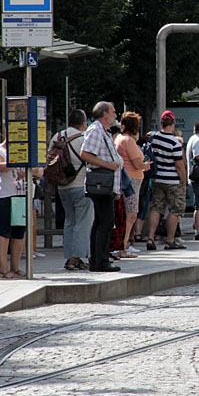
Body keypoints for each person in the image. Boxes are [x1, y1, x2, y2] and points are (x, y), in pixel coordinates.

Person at [79, 101, 123, 271]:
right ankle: (100, 261)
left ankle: (97, 259)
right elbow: (85, 154)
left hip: (107, 184)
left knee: (101, 221)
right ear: (104, 114)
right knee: (105, 222)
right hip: (101, 184)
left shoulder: (103, 131)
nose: (115, 114)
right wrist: (107, 164)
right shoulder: (96, 130)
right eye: (113, 111)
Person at [49, 110, 93, 270]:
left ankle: (69, 256)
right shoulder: (83, 138)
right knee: (83, 222)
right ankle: (78, 257)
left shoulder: (57, 136)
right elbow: (91, 160)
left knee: (69, 221)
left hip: (62, 186)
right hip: (81, 185)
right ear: (83, 122)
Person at [0, 135, 35, 278]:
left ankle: (15, 267)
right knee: (4, 231)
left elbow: (38, 171)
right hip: (5, 195)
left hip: (22, 194)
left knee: (19, 232)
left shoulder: (26, 150)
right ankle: (4, 268)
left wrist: (27, 169)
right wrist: (15, 164)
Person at [144, 110, 187, 251]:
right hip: (173, 180)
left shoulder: (154, 138)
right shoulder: (174, 142)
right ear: (173, 123)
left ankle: (151, 237)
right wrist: (183, 181)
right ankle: (170, 240)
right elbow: (179, 165)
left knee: (156, 207)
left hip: (157, 178)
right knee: (175, 210)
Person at [114, 111, 149, 258]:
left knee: (126, 214)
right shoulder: (128, 141)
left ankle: (123, 244)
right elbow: (137, 163)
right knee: (131, 214)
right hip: (131, 180)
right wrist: (146, 165)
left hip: (126, 179)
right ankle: (123, 245)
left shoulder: (119, 138)